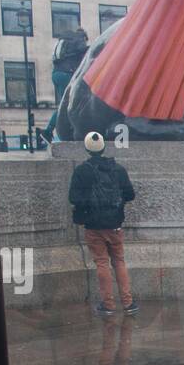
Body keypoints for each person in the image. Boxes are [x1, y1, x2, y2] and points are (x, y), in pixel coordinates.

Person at [68, 131, 138, 315]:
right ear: (104, 147)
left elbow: (73, 198)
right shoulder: (119, 169)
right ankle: (128, 303)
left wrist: (90, 203)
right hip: (115, 223)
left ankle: (108, 304)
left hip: (93, 225)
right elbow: (130, 195)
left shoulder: (82, 171)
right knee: (119, 261)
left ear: (86, 149)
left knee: (101, 263)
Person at [43, 27, 89, 142]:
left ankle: (53, 130)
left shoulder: (65, 41)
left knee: (64, 104)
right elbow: (84, 49)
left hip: (57, 74)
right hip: (67, 74)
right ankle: (48, 131)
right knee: (68, 104)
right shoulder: (79, 39)